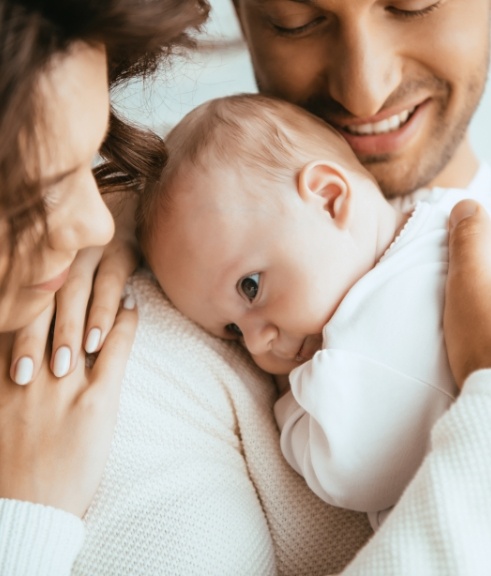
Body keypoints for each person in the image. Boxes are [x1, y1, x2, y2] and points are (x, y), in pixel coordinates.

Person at [2, 1, 491, 576]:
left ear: (332, 197)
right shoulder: (117, 328)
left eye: (413, 3)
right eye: (295, 20)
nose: (365, 91)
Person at [139, 91, 485, 530]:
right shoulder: (447, 221)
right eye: (231, 330)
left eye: (251, 287)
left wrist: (291, 405)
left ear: (327, 199)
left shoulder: (364, 335)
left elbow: (349, 471)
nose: (255, 342)